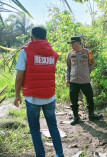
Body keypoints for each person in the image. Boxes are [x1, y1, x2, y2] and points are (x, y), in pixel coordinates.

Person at [14, 27, 64, 157]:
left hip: (32, 99)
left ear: (32, 38)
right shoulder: (53, 54)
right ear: (46, 38)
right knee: (53, 127)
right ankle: (59, 154)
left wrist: (17, 95)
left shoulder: (25, 52)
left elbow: (19, 77)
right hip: (49, 97)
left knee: (35, 129)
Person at [66, 36, 103, 125]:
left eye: (73, 43)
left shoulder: (88, 52)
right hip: (73, 80)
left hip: (85, 80)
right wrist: (67, 78)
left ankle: (91, 115)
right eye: (71, 43)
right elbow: (68, 67)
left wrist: (86, 73)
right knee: (73, 99)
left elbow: (92, 64)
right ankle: (76, 117)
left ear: (78, 43)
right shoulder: (70, 53)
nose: (71, 45)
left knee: (89, 97)